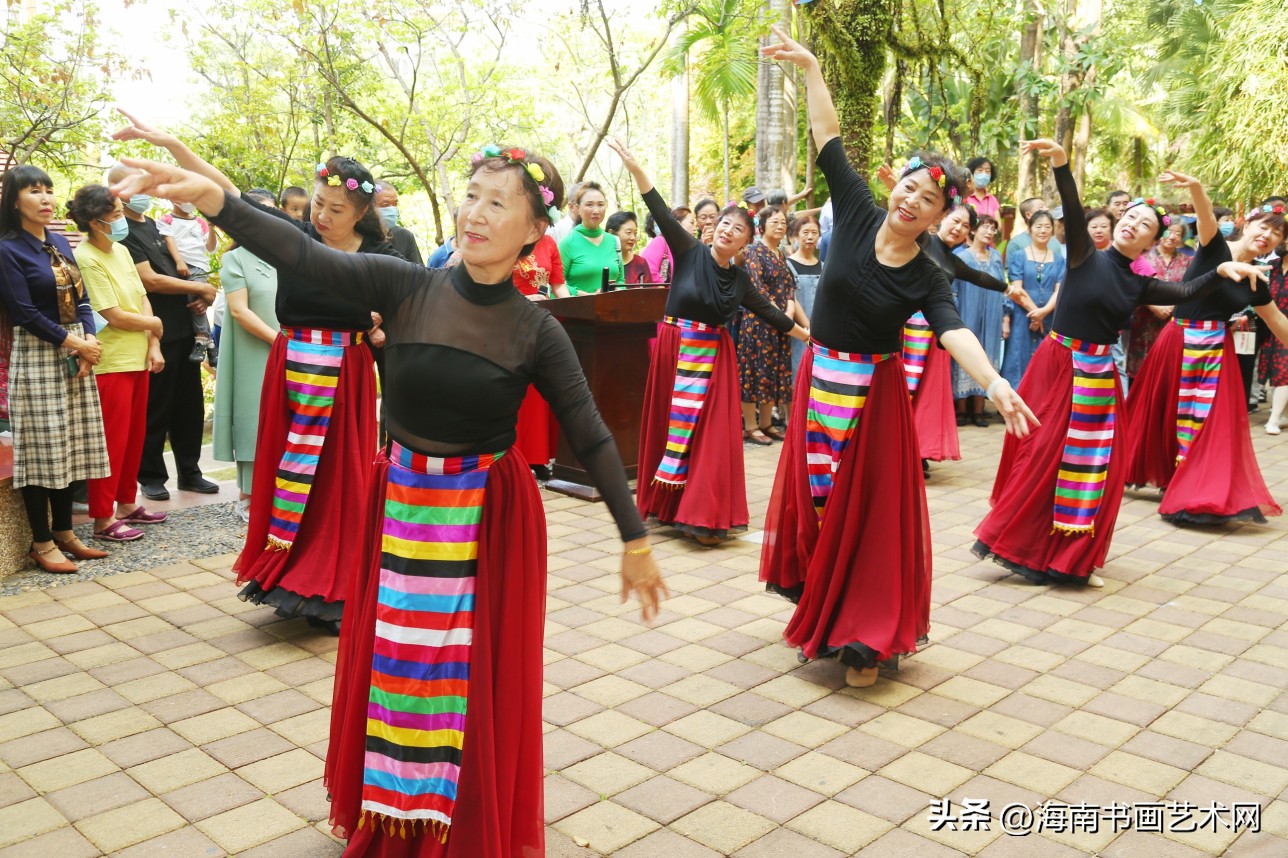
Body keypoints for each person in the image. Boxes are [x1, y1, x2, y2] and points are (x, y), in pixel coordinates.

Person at [112, 141, 666, 858]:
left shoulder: (537, 331)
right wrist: (217, 201)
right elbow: (307, 258)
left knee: (469, 678)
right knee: (393, 667)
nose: (474, 213)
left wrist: (636, 539)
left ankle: (462, 826)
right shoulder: (406, 286)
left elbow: (591, 437)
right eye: (472, 194)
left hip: (483, 523)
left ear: (535, 229)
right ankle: (389, 810)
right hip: (401, 502)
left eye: (498, 203)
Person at [757, 28, 1036, 688]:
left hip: (873, 398)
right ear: (896, 186)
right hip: (818, 382)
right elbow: (827, 136)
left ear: (941, 215)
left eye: (929, 200)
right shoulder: (853, 210)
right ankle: (822, 607)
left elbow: (951, 332)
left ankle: (863, 639)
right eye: (909, 187)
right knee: (817, 503)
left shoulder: (927, 275)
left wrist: (995, 382)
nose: (913, 200)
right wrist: (814, 69)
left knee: (870, 516)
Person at [111, 111, 395, 631]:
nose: (324, 215)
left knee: (341, 478)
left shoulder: (381, 252)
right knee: (290, 474)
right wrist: (173, 144)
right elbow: (227, 196)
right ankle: (288, 574)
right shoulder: (292, 235)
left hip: (349, 372)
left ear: (360, 212)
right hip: (294, 367)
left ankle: (339, 583)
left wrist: (381, 328)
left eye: (336, 209)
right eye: (319, 204)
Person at [973, 140, 1266, 589]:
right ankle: (1022, 542)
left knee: (1097, 469)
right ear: (1115, 223)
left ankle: (1073, 555)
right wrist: (1060, 161)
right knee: (1040, 454)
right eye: (1129, 218)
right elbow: (1070, 205)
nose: (1133, 225)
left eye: (1144, 224)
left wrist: (1221, 271)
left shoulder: (1139, 284)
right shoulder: (1084, 255)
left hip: (1098, 380)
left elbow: (1186, 294)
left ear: (1153, 239)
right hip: (1057, 364)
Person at [609, 137, 808, 548]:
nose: (726, 230)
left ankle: (702, 513)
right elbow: (657, 207)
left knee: (710, 436)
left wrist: (812, 338)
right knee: (670, 428)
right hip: (675, 347)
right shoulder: (689, 250)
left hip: (714, 358)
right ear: (711, 229)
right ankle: (667, 506)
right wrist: (636, 168)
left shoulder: (740, 281)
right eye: (723, 224)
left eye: (736, 229)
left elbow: (772, 314)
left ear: (744, 242)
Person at [1124, 184, 1286, 525]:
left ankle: (1200, 492)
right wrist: (1197, 189)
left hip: (1216, 352)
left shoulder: (1258, 279)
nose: (1268, 235)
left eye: (1277, 234)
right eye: (1265, 226)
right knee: (1163, 415)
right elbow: (1206, 217)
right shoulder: (1215, 249)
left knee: (1211, 427)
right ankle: (1172, 478)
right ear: (1248, 224)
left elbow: (1277, 323)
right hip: (1178, 341)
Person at [0, 166, 110, 572]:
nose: (45, 198)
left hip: (74, 348)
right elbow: (24, 312)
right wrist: (76, 343)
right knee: (40, 450)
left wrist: (86, 342)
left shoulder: (60, 241)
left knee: (71, 444)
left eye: (48, 190)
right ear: (15, 201)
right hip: (37, 352)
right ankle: (41, 543)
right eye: (34, 191)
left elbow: (81, 296)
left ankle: (65, 532)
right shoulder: (7, 249)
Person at [107, 163, 220, 502]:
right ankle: (151, 476)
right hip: (155, 333)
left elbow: (178, 268)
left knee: (189, 406)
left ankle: (190, 471)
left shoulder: (156, 225)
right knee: (156, 407)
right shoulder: (122, 231)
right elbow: (150, 280)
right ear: (117, 190)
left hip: (185, 328)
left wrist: (196, 296)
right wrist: (197, 288)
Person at [68, 184, 169, 545]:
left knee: (133, 438)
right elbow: (111, 314)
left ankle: (127, 503)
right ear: (96, 222)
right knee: (109, 442)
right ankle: (102, 517)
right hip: (109, 362)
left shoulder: (122, 250)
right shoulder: (86, 257)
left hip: (138, 357)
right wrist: (154, 326)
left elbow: (142, 300)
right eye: (114, 213)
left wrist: (153, 343)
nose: (121, 217)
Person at [213, 189, 281, 523]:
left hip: (290, 349)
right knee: (254, 418)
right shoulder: (234, 259)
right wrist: (280, 342)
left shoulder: (287, 253)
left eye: (270, 211)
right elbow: (239, 311)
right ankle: (250, 496)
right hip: (255, 350)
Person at [510, 181, 571, 480]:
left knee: (543, 393)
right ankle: (517, 456)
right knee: (521, 394)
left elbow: (559, 284)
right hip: (512, 325)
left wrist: (574, 309)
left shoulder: (549, 243)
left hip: (546, 325)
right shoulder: (508, 237)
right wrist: (523, 299)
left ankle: (539, 458)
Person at [736, 205, 797, 445]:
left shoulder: (782, 253)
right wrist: (779, 315)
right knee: (753, 372)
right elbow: (757, 289)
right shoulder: (753, 251)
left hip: (781, 324)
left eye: (783, 222)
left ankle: (766, 423)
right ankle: (751, 425)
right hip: (758, 323)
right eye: (775, 222)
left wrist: (789, 311)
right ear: (761, 227)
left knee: (773, 371)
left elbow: (791, 285)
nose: (781, 226)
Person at [1001, 210, 1065, 391]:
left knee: (1046, 360)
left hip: (1050, 317)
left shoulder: (1059, 259)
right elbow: (1016, 289)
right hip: (1022, 315)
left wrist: (1043, 313)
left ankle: (1041, 402)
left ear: (1053, 230)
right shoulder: (1018, 256)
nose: (1043, 230)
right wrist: (1035, 314)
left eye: (1047, 226)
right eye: (1038, 226)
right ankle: (1016, 399)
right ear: (1029, 229)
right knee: (1017, 356)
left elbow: (1059, 291)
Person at [1126, 219, 1189, 380]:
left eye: (1178, 233)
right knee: (1140, 371)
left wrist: (1172, 307)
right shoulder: (1142, 257)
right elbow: (1133, 286)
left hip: (1172, 322)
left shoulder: (1186, 261)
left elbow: (1189, 288)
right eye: (1169, 231)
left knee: (1166, 372)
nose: (1172, 236)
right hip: (1144, 321)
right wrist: (1154, 306)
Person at [159, 199, 219, 364]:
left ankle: (201, 340)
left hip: (199, 267)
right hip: (179, 267)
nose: (188, 201)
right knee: (193, 303)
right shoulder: (166, 220)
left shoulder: (200, 222)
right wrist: (179, 261)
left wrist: (212, 228)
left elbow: (211, 248)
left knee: (196, 304)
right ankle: (211, 345)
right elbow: (169, 240)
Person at [557, 182, 621, 294]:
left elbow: (621, 280)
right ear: (577, 208)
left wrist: (618, 290)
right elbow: (556, 285)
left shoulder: (614, 241)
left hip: (613, 309)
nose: (596, 211)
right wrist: (584, 295)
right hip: (580, 308)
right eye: (589, 205)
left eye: (600, 204)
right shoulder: (568, 243)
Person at [787, 214, 822, 374]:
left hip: (821, 333)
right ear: (796, 235)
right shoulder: (787, 264)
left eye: (814, 233)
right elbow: (790, 299)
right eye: (805, 232)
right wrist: (808, 328)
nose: (810, 237)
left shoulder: (824, 266)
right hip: (797, 332)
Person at [1260, 252, 1288, 433]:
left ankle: (1273, 419)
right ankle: (1283, 414)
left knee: (1283, 371)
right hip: (1269, 327)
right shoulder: (1272, 266)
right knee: (1273, 370)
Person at [374, 182, 424, 265]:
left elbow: (420, 274)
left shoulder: (404, 236)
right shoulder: (359, 238)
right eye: (385, 204)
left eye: (395, 204)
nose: (392, 209)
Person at [641, 205, 693, 284]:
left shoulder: (682, 247)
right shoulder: (660, 241)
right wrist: (663, 292)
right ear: (678, 224)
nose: (695, 227)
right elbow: (649, 270)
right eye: (691, 223)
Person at [1003, 197, 1052, 263]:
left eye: (1045, 206)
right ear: (1028, 215)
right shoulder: (1016, 243)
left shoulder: (1054, 241)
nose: (1047, 209)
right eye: (1041, 207)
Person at [606, 211, 650, 285]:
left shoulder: (640, 262)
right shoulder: (602, 261)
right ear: (611, 233)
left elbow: (649, 293)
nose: (633, 238)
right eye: (628, 232)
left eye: (635, 233)